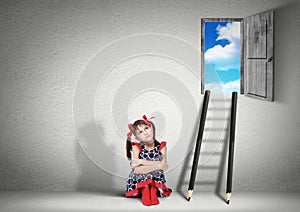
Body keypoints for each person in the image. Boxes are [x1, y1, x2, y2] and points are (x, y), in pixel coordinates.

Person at [125, 115, 172, 206]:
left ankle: (152, 189)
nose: (145, 132)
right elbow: (137, 170)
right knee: (145, 173)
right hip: (139, 179)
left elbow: (164, 166)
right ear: (137, 138)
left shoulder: (162, 147)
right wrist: (158, 164)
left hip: (156, 177)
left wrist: (141, 162)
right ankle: (145, 188)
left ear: (152, 128)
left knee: (155, 173)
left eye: (146, 128)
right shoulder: (136, 147)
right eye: (140, 132)